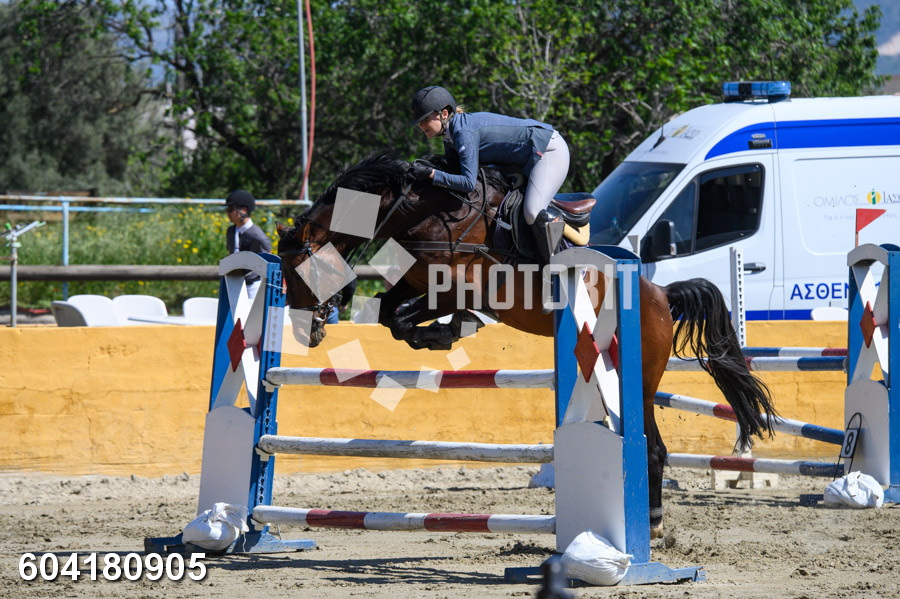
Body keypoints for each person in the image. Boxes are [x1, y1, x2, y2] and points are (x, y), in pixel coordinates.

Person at [409, 85, 570, 264]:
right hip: (520, 161)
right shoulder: (450, 136)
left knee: (532, 212)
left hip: (548, 151)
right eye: (419, 122)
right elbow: (453, 174)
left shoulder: (463, 132)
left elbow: (468, 183)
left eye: (425, 119)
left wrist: (432, 174)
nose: (421, 125)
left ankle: (560, 265)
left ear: (444, 114)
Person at [224, 189, 272, 299]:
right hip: (234, 282)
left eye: (231, 209)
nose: (228, 213)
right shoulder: (231, 231)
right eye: (227, 209)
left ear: (244, 210)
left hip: (252, 285)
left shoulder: (257, 235)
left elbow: (268, 258)